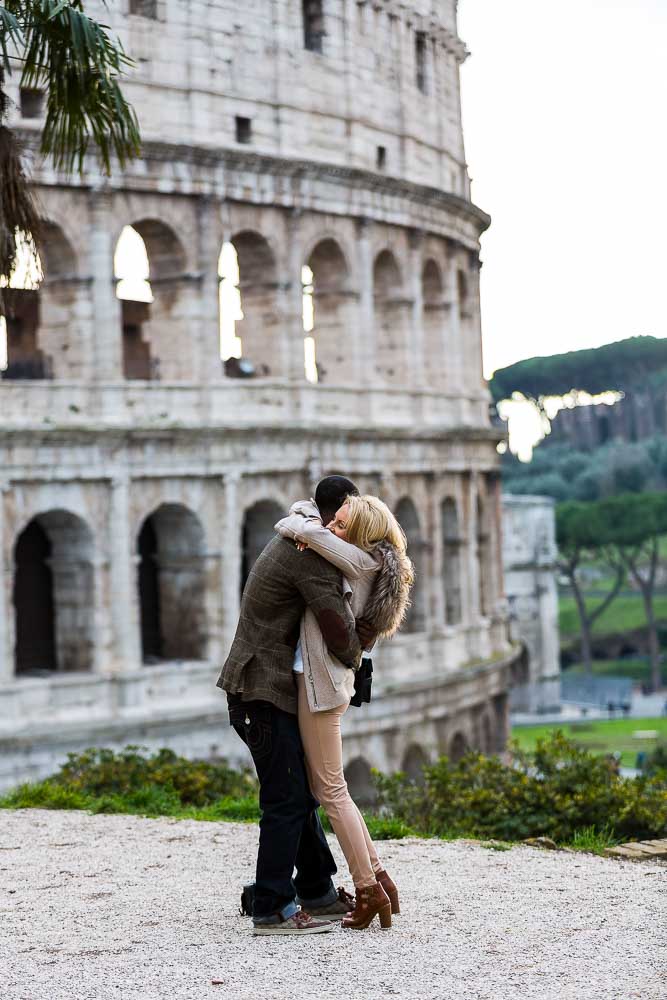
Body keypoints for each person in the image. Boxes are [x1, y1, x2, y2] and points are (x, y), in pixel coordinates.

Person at [217, 476, 375, 936]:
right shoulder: (312, 557)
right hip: (259, 692)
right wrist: (363, 642)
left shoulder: (302, 535)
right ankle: (272, 906)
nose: (353, 540)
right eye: (349, 527)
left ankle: (316, 890)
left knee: (300, 791)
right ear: (335, 516)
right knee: (286, 797)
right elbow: (341, 637)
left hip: (263, 687)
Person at [275, 493, 414, 930]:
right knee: (333, 789)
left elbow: (294, 527)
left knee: (331, 792)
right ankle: (380, 878)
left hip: (319, 688)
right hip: (329, 684)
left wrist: (306, 517)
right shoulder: (373, 560)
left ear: (358, 536)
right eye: (332, 522)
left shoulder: (359, 559)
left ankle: (368, 889)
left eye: (341, 525)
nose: (332, 530)